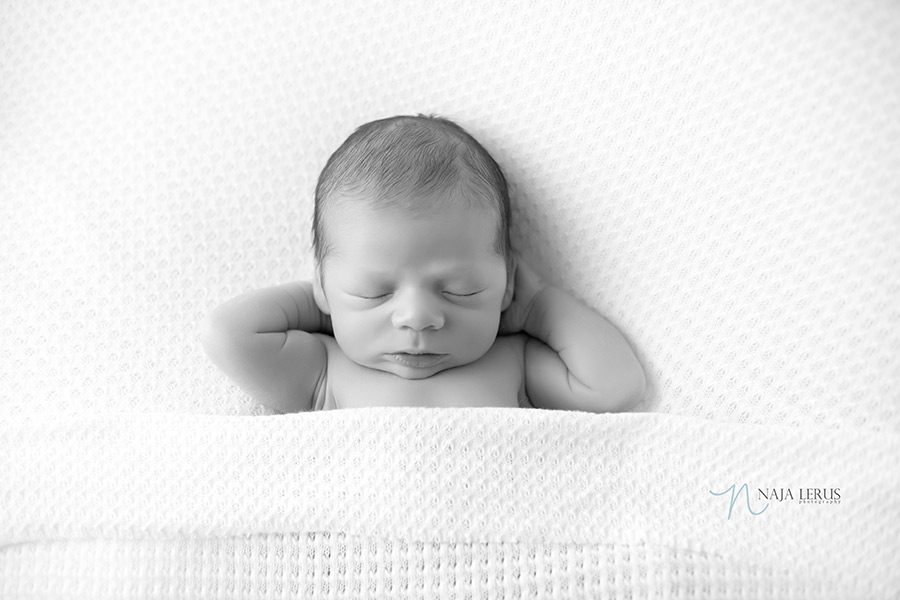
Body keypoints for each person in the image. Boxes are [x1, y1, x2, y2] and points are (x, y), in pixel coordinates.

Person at [201, 114, 647, 413]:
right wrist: (327, 301)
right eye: (373, 291)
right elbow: (229, 334)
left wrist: (538, 306)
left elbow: (618, 385)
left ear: (506, 282)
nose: (417, 317)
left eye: (461, 289)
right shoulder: (324, 371)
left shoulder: (513, 365)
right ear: (322, 283)